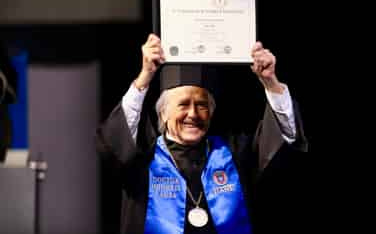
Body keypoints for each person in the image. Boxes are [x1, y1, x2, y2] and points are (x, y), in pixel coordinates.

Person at [96, 33, 308, 234]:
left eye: (201, 105)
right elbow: (114, 142)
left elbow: (282, 140)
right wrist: (145, 76)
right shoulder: (143, 159)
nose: (193, 114)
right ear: (163, 112)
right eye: (183, 104)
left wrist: (271, 82)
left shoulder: (234, 153)